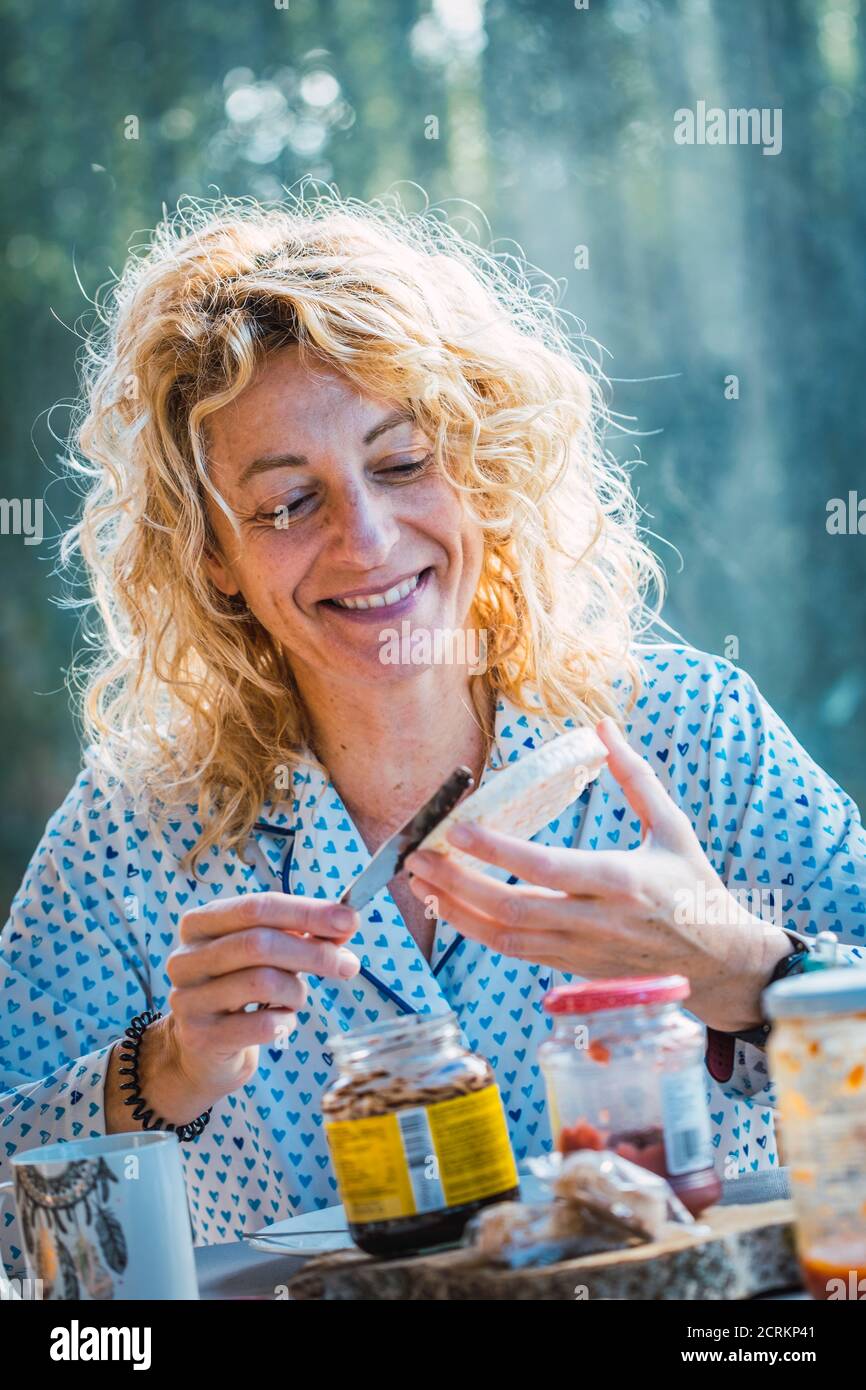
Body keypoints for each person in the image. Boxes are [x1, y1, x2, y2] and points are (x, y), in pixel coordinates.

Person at [2, 193, 864, 1271]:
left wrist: (740, 967)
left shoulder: (691, 734)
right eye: (284, 504)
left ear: (481, 465)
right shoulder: (132, 835)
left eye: (402, 463)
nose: (365, 540)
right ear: (210, 557)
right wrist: (160, 1070)